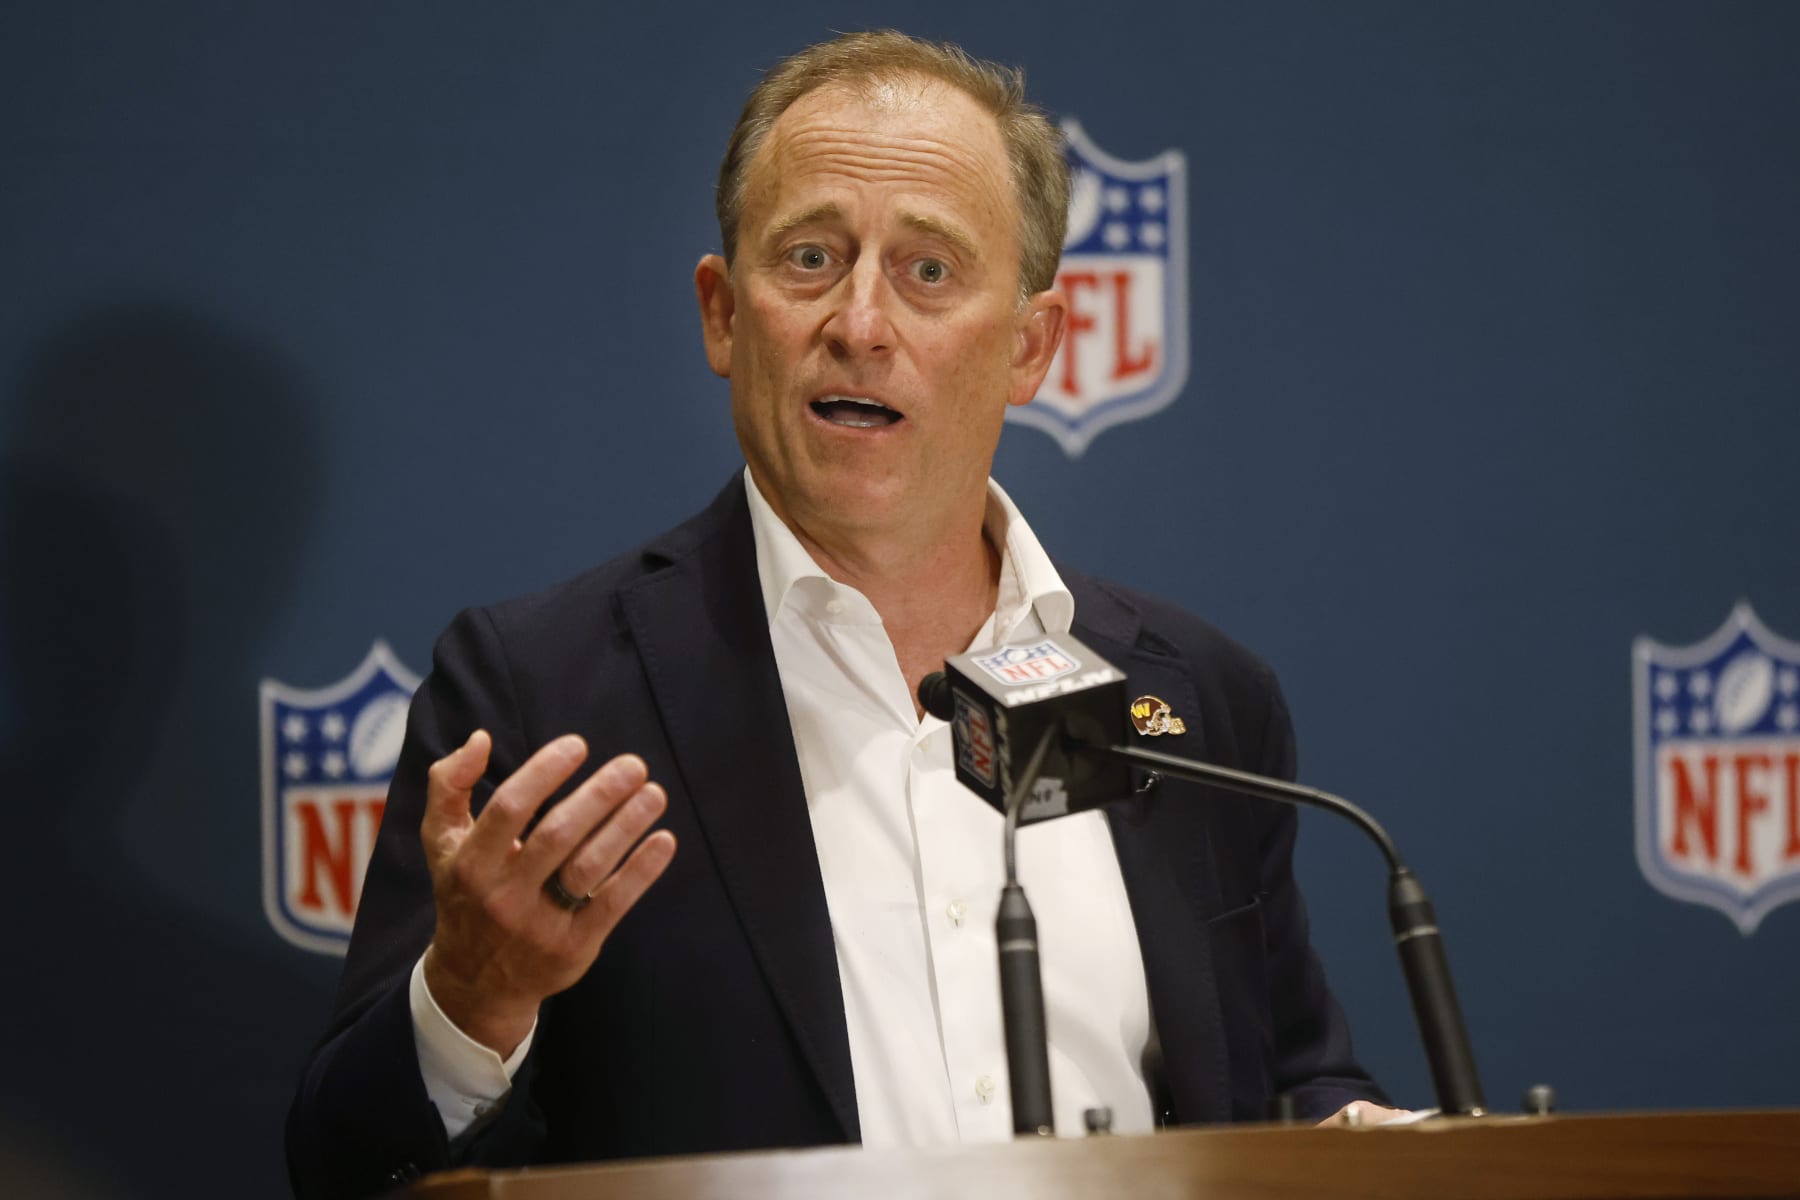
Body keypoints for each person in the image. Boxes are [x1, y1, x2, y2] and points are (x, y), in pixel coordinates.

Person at [287, 30, 1390, 1200]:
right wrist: (475, 1001)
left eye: (928, 271)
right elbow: (344, 1167)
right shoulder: (544, 691)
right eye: (810, 258)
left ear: (1029, 346)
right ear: (723, 315)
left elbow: (1286, 1082)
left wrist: (1356, 1133)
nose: (861, 324)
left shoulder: (1196, 698)